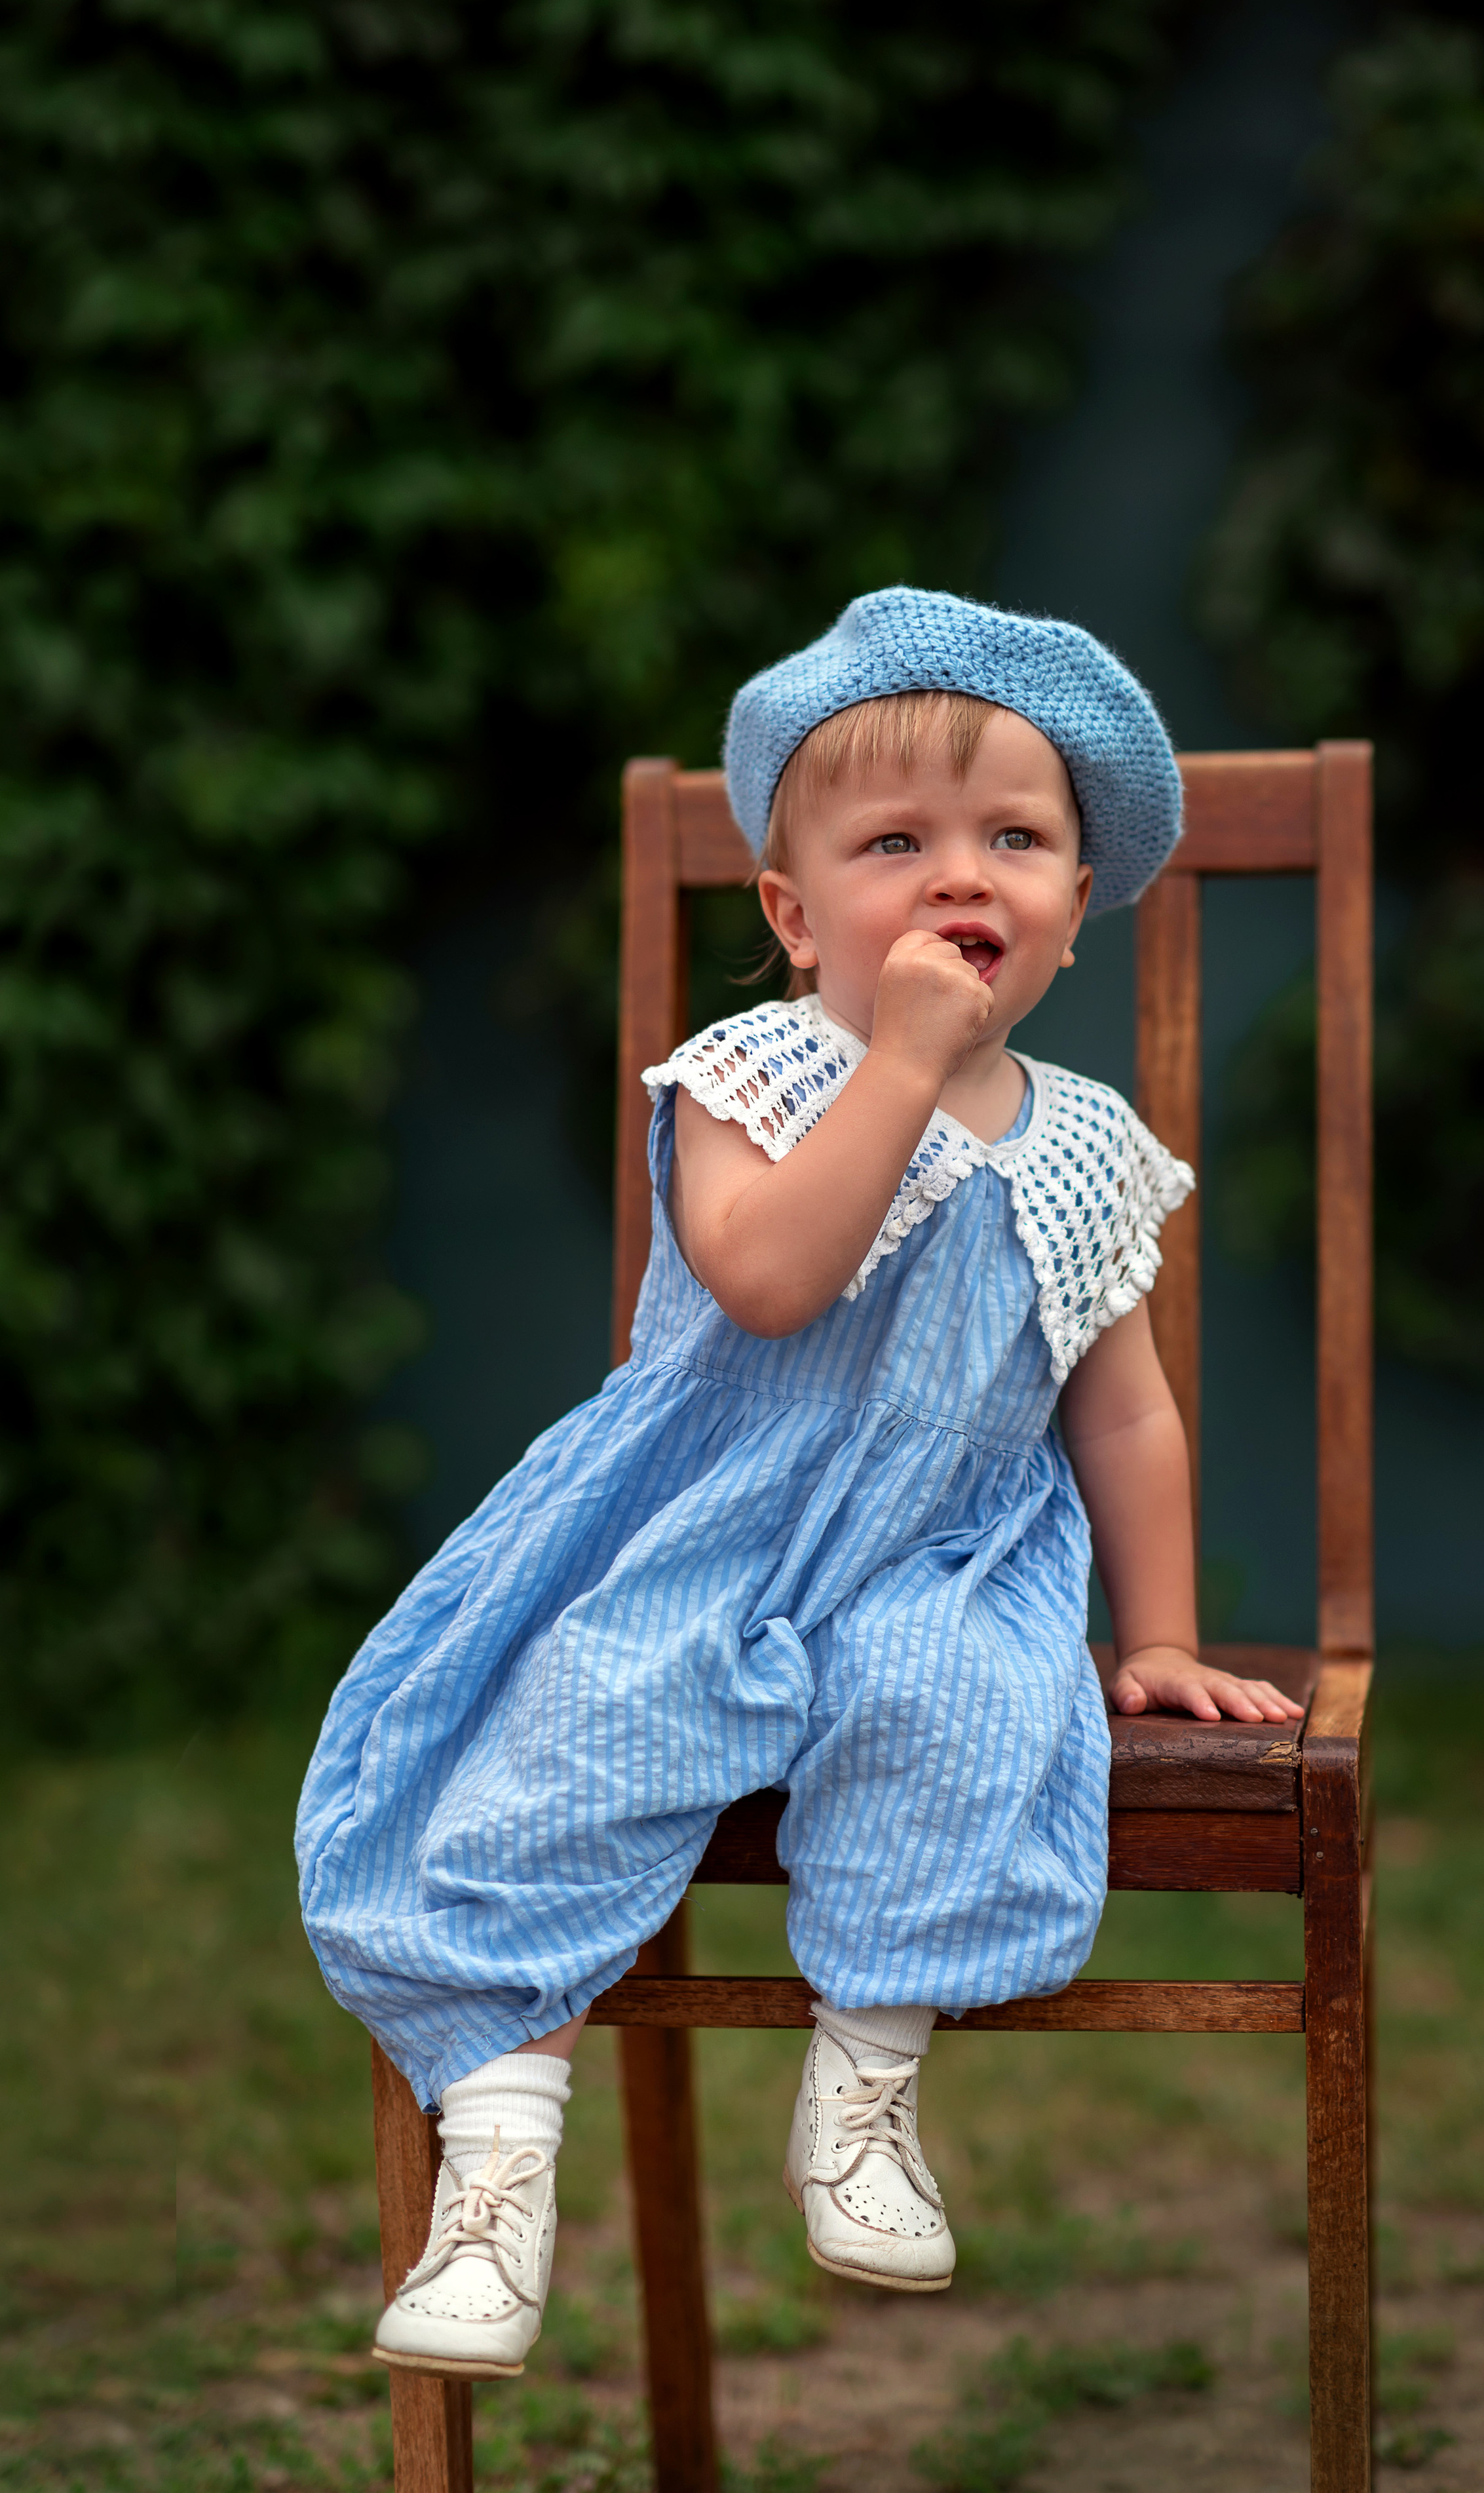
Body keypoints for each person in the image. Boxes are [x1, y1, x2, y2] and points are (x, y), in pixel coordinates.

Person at [295, 587, 1303, 2383]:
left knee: (969, 1711)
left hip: (938, 1555)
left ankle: (868, 2081)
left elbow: (1127, 1412)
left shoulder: (1083, 1148)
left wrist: (1154, 1635)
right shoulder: (752, 1073)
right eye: (893, 843)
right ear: (789, 910)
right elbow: (767, 1280)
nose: (957, 877)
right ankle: (500, 2154)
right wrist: (904, 1068)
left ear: (1075, 908)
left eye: (1014, 839)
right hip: (701, 1529)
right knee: (570, 1728)